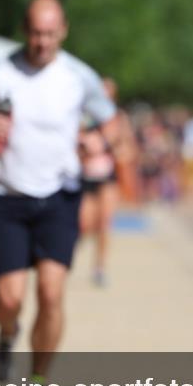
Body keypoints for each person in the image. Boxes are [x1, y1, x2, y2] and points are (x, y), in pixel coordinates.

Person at [0, 0, 122, 386]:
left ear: (63, 31)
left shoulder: (78, 75)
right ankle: (7, 333)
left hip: (59, 197)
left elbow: (113, 122)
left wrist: (97, 141)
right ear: (24, 30)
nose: (42, 42)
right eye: (36, 33)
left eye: (50, 33)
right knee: (8, 300)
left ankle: (38, 382)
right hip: (7, 197)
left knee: (51, 293)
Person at [78, 78, 121, 287]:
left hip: (107, 177)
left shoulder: (117, 119)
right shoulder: (84, 115)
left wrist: (112, 146)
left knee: (105, 222)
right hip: (86, 175)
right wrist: (84, 148)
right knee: (85, 224)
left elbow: (126, 146)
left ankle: (100, 268)